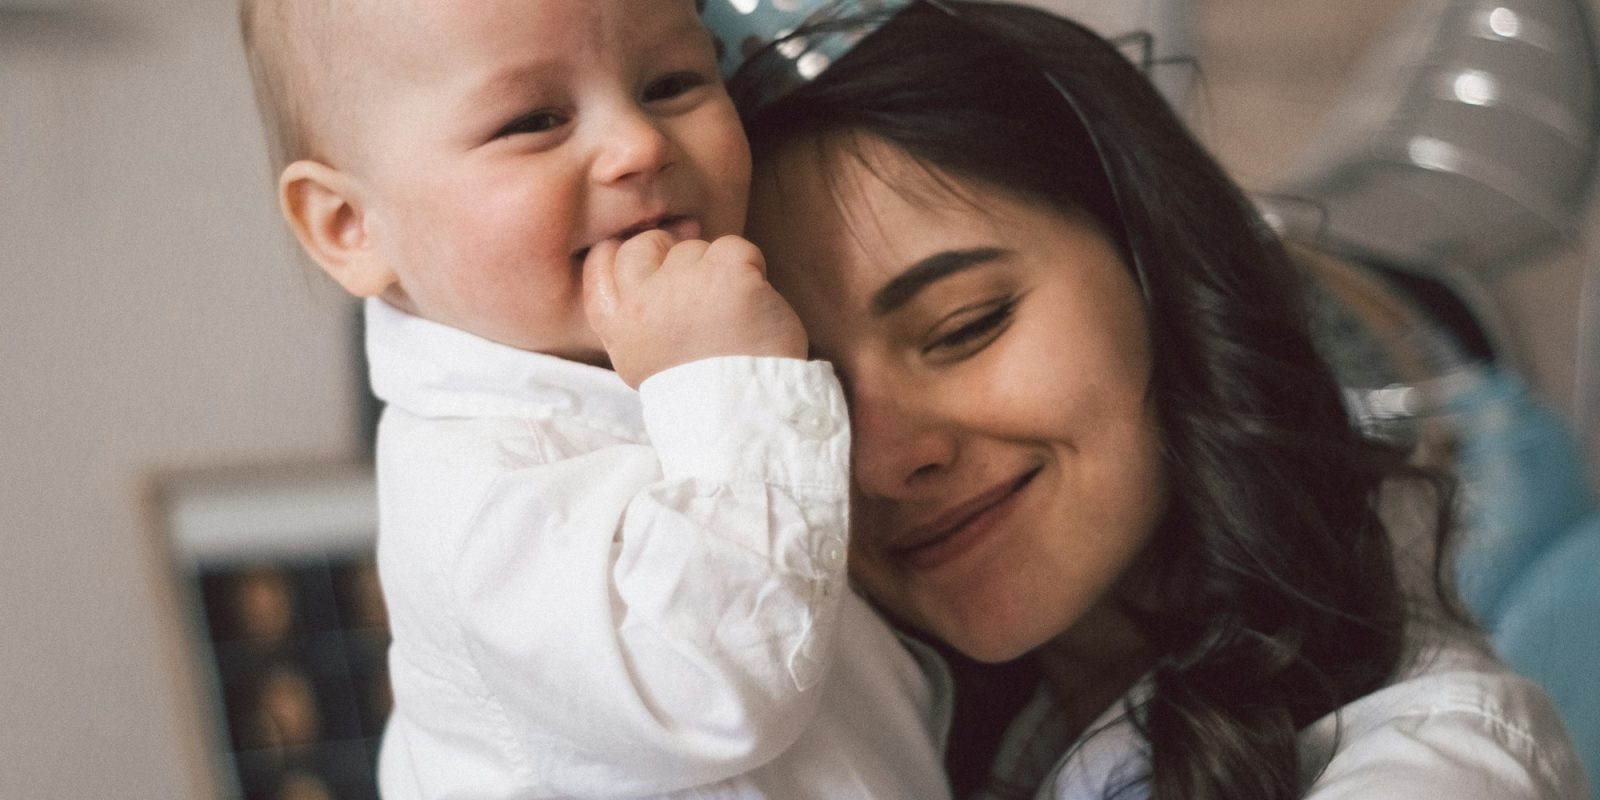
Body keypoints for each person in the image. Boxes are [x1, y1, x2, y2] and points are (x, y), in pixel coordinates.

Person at [734, 2, 1593, 797]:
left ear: (1156, 272)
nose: (882, 463)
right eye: (808, 394)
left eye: (965, 326)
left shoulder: (1427, 758)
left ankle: (1418, 293)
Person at [235, 1, 950, 798]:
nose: (640, 144)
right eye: (533, 119)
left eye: (673, 82)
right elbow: (714, 686)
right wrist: (722, 377)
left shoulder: (690, 353)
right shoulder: (479, 493)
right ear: (349, 226)